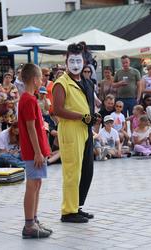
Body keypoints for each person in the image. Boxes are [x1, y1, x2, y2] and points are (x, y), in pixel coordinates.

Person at [53, 43, 98, 223]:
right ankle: (68, 211)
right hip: (71, 130)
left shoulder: (86, 82)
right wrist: (81, 116)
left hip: (84, 129)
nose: (75, 64)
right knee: (72, 171)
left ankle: (77, 206)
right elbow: (57, 110)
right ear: (66, 61)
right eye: (71, 60)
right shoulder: (61, 83)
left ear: (84, 61)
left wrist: (93, 118)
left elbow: (89, 106)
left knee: (86, 170)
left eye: (78, 60)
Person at [18, 63, 52, 238]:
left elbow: (35, 126)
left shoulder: (29, 98)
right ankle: (29, 224)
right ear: (34, 79)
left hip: (36, 149)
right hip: (33, 151)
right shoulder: (28, 99)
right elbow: (30, 128)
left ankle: (34, 220)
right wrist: (38, 152)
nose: (42, 81)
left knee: (37, 184)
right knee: (32, 185)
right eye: (40, 78)